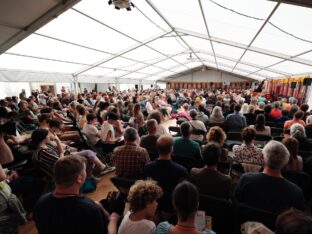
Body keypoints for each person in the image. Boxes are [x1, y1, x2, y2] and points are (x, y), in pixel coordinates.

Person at [33, 156, 119, 234]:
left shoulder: (40, 203)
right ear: (79, 178)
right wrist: (113, 220)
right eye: (84, 171)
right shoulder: (90, 210)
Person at [234, 140, 305, 213]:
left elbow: (235, 203)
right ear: (286, 163)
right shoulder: (296, 193)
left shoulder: (246, 179)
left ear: (262, 158)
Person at [144, 135, 188, 213]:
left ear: (157, 149)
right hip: (172, 208)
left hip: (153, 206)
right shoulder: (182, 171)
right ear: (171, 149)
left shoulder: (147, 168)